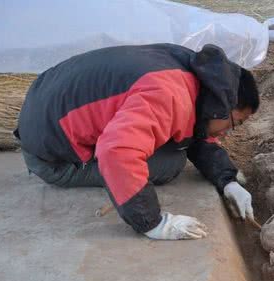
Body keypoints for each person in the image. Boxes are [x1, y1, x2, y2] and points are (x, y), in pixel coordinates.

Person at [15, 43, 259, 240]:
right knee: (171, 161)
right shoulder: (169, 96)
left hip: (44, 109)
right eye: (235, 123)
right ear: (223, 106)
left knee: (170, 139)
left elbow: (197, 131)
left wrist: (228, 181)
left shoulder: (191, 71)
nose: (229, 132)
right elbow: (117, 150)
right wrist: (153, 223)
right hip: (52, 157)